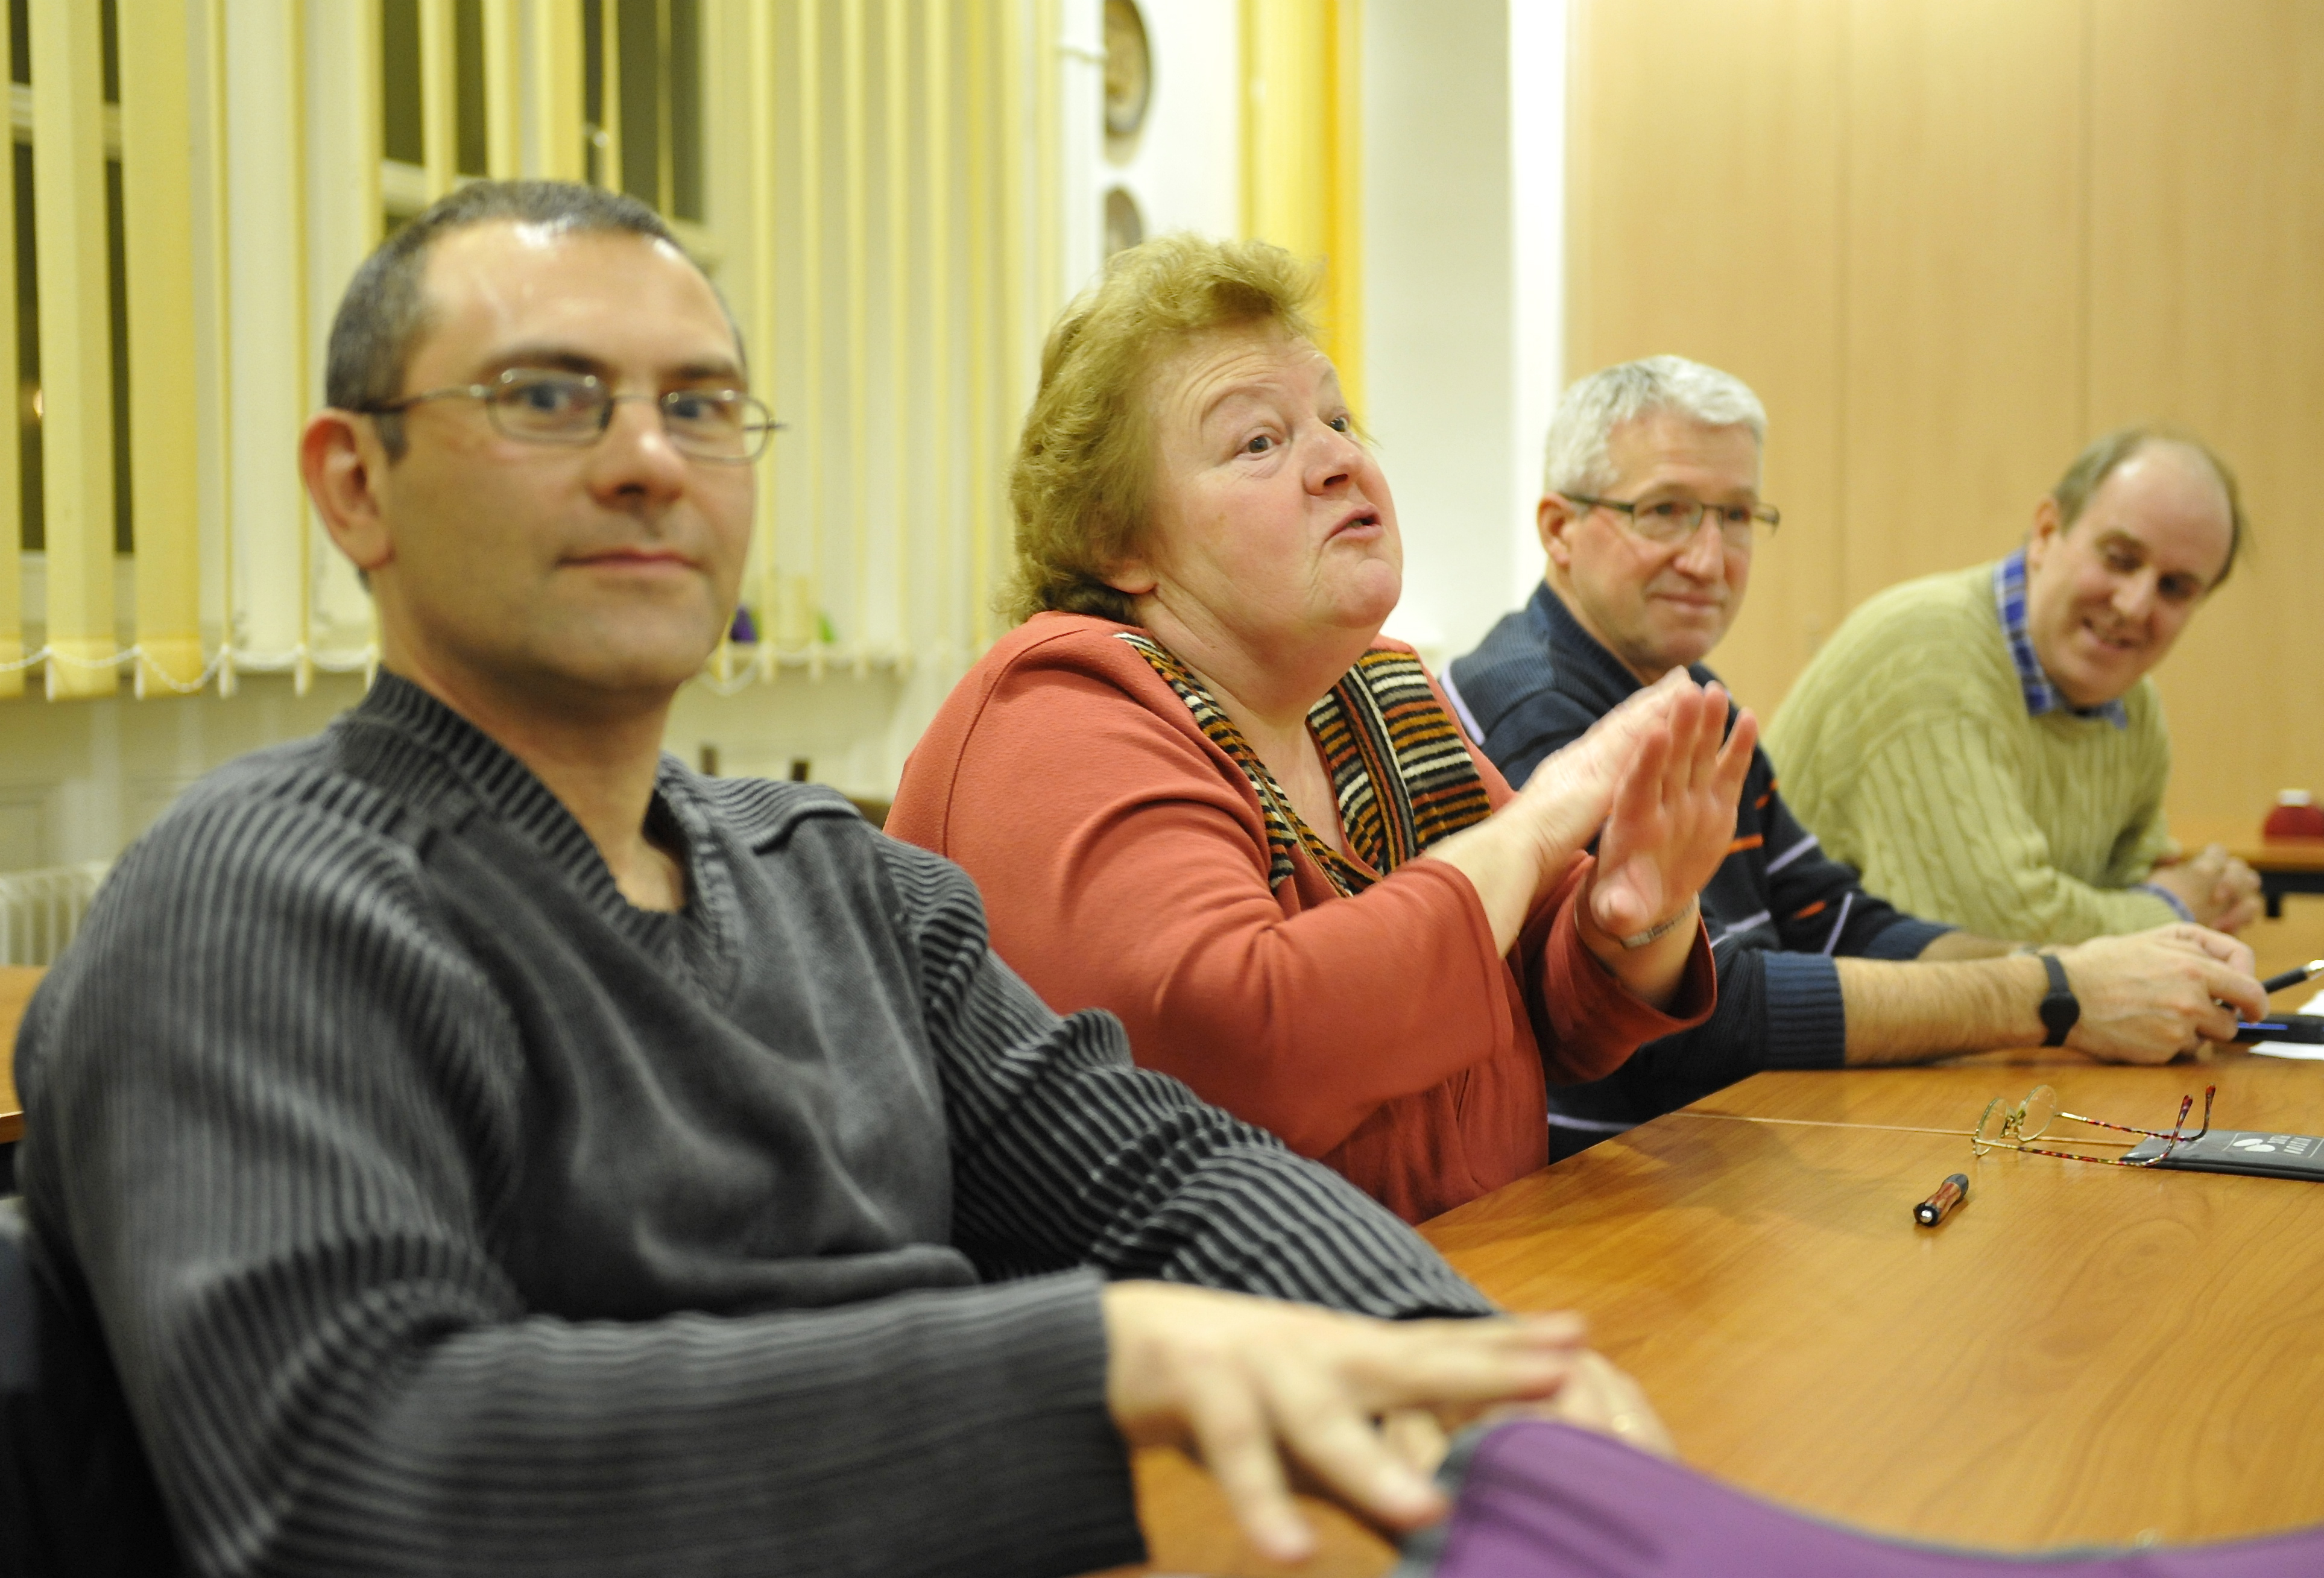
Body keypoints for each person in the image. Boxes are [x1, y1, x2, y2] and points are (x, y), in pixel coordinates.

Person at [10, 183, 1666, 1578]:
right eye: (548, 399)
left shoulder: (833, 881)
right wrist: (1092, 1361)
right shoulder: (250, 902)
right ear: (352, 486)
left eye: (700, 407)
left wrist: (1459, 1360)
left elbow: (1160, 1175)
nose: (649, 459)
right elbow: (351, 1465)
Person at [888, 237, 1752, 1225]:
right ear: (1117, 541)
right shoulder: (1056, 708)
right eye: (1259, 442)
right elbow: (1251, 1047)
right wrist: (1538, 823)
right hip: (1220, 1319)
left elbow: (1559, 1008)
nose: (1342, 460)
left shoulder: (1373, 690)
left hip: (1464, 1278)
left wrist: (1635, 914)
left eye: (1337, 421)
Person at [1445, 358, 2264, 1142]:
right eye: (1664, 510)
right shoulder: (1533, 708)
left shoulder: (1688, 694)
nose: (1708, 559)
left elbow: (1832, 915)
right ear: (1559, 529)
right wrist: (2059, 993)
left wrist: (2094, 971)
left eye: (1736, 516)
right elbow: (1698, 1017)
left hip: (1718, 1143)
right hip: (1592, 1183)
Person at [1767, 424, 2263, 945]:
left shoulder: (2133, 703)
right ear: (2046, 531)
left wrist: (2209, 891)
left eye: (2175, 588)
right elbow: (1984, 935)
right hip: (1789, 991)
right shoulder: (1928, 652)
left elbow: (2137, 876)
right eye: (2119, 559)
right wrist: (2176, 909)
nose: (2134, 605)